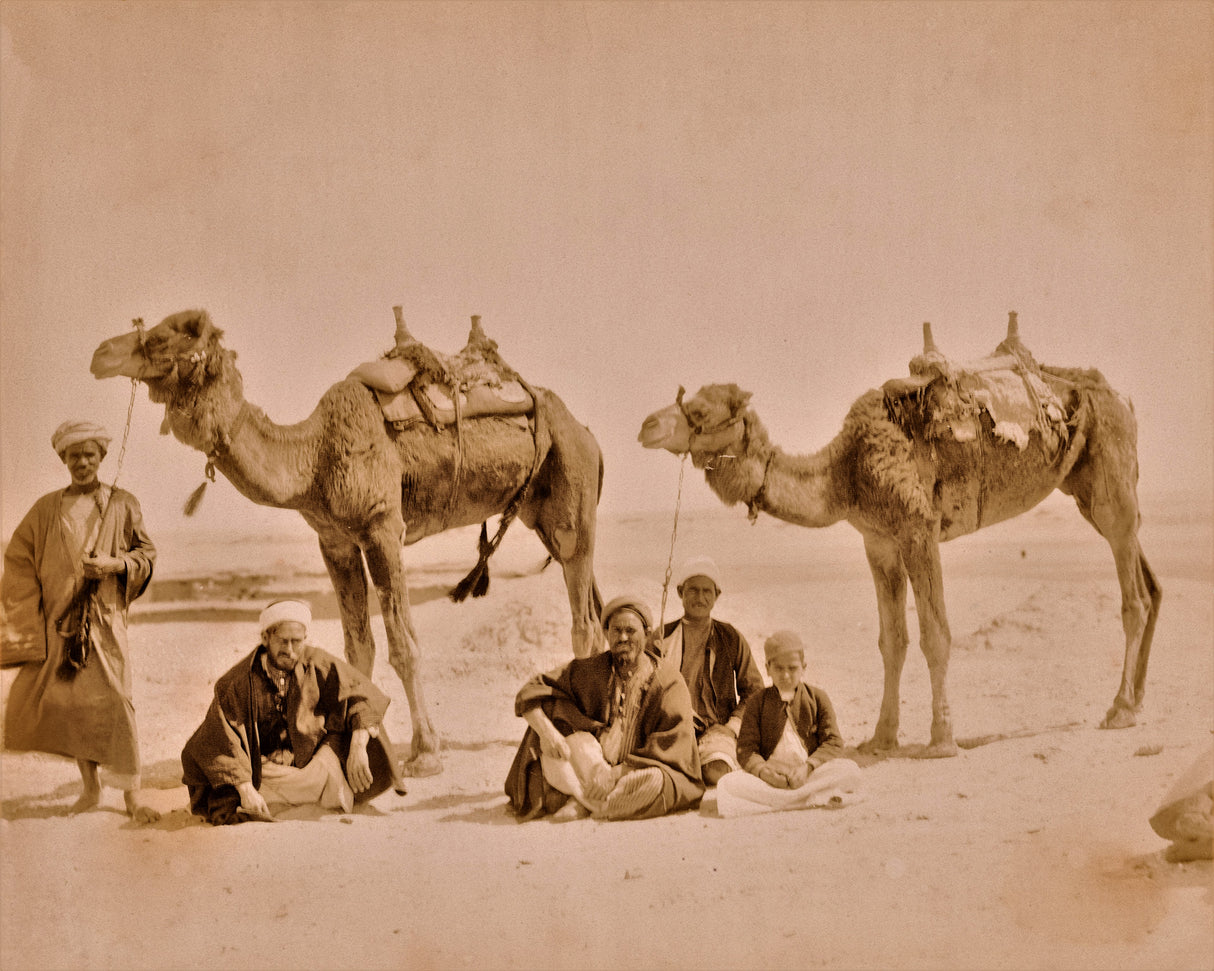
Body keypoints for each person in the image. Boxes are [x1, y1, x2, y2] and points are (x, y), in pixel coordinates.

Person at [1, 420, 159, 822]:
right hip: (62, 624)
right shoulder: (45, 509)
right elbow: (18, 560)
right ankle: (91, 789)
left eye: (90, 454)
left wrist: (115, 563)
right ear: (63, 459)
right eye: (74, 456)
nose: (82, 462)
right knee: (74, 706)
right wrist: (29, 619)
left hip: (106, 623)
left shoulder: (122, 503)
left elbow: (147, 553)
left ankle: (131, 799)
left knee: (118, 701)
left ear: (102, 457)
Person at [180, 599, 405, 823]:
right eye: (282, 642)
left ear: (304, 639)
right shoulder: (236, 682)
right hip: (264, 773)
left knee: (360, 734)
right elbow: (219, 737)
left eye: (296, 642)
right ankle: (274, 798)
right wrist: (246, 788)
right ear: (265, 639)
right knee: (231, 789)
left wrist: (357, 748)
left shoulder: (317, 662)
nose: (289, 651)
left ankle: (292, 799)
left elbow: (360, 696)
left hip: (311, 767)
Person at [505, 595, 705, 821]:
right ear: (606, 634)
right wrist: (547, 734)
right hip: (592, 764)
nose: (622, 637)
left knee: (656, 782)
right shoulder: (591, 669)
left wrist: (614, 775)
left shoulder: (668, 681)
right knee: (560, 728)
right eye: (615, 631)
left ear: (647, 634)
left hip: (637, 769)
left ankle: (586, 801)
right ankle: (599, 802)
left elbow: (672, 747)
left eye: (631, 631)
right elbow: (532, 690)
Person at [716, 629, 862, 817]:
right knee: (728, 784)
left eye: (792, 668)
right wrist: (763, 771)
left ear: (803, 667)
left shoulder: (817, 698)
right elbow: (746, 749)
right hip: (770, 779)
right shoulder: (756, 702)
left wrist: (807, 767)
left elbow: (833, 742)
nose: (786, 675)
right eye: (779, 668)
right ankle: (809, 800)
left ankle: (777, 804)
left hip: (808, 775)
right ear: (767, 668)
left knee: (849, 770)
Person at [658, 556, 764, 786]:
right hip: (670, 729)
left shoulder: (730, 637)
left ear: (717, 596)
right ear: (680, 592)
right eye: (693, 590)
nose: (700, 597)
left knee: (717, 771)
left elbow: (754, 690)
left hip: (715, 730)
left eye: (707, 591)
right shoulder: (662, 637)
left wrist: (732, 727)